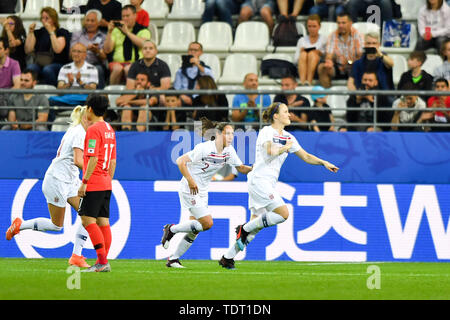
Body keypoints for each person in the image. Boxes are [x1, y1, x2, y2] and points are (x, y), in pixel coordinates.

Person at [219, 102, 339, 269]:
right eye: (286, 112)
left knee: (255, 228)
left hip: (267, 182)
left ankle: (227, 257)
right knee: (283, 213)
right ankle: (243, 228)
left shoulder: (289, 137)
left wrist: (323, 162)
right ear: (276, 116)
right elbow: (270, 151)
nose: (289, 115)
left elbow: (306, 156)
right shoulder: (267, 132)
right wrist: (286, 147)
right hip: (259, 179)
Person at [5, 105, 92, 268]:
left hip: (70, 180)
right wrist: (94, 174)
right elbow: (78, 160)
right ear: (87, 118)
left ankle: (76, 256)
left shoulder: (79, 131)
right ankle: (20, 225)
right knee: (56, 225)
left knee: (88, 213)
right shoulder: (79, 132)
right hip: (57, 180)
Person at [161, 117, 253, 268]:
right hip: (189, 188)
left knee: (195, 228)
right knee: (207, 223)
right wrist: (190, 180)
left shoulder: (229, 151)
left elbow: (241, 167)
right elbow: (180, 161)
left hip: (203, 190)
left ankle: (173, 259)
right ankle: (171, 229)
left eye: (232, 134)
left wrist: (253, 168)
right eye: (228, 133)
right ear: (218, 134)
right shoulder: (204, 148)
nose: (231, 137)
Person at [78, 94, 117, 272]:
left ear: (90, 109)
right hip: (106, 181)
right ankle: (103, 261)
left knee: (87, 220)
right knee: (103, 222)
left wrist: (85, 182)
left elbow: (93, 158)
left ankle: (102, 262)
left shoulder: (93, 130)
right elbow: (113, 161)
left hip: (94, 181)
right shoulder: (109, 129)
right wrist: (108, 179)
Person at [103, 4, 151, 85]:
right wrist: (109, 32)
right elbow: (107, 50)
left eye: (127, 16)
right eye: (123, 16)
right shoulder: (116, 30)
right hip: (117, 63)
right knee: (118, 68)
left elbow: (144, 44)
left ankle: (130, 94)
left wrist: (127, 32)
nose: (125, 19)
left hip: (136, 62)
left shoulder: (143, 30)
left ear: (135, 16)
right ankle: (112, 95)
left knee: (129, 69)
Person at [126, 40, 171, 124]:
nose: (147, 50)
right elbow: (129, 87)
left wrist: (150, 90)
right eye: (145, 48)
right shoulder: (135, 65)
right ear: (141, 51)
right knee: (126, 107)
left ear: (156, 51)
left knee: (145, 106)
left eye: (151, 48)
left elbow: (166, 87)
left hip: (154, 96)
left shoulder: (163, 65)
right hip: (137, 95)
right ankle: (125, 131)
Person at [49, 43, 99, 118]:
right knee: (51, 101)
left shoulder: (92, 69)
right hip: (66, 98)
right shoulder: (65, 68)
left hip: (83, 99)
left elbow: (92, 90)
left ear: (85, 55)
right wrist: (69, 84)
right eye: (74, 51)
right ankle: (50, 128)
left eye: (79, 52)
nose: (76, 54)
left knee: (94, 101)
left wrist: (81, 82)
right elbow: (59, 91)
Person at [24, 7, 71, 86]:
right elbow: (28, 50)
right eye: (42, 18)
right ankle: (31, 93)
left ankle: (53, 91)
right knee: (30, 68)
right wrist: (30, 32)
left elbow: (57, 49)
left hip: (57, 63)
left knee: (47, 70)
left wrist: (51, 32)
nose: (44, 20)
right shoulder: (39, 32)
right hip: (40, 62)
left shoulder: (61, 32)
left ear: (53, 19)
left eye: (47, 18)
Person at [317, 12, 363, 88]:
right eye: (338, 23)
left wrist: (349, 62)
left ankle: (357, 97)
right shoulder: (332, 35)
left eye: (343, 23)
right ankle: (327, 96)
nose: (340, 25)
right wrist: (329, 62)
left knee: (360, 67)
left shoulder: (358, 35)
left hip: (353, 67)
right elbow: (329, 54)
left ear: (350, 23)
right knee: (323, 67)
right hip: (338, 67)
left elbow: (360, 56)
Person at [70, 9, 108, 89]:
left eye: (92, 21)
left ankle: (101, 96)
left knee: (98, 69)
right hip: (78, 63)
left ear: (99, 23)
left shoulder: (103, 36)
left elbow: (104, 57)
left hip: (95, 64)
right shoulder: (77, 34)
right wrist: (82, 50)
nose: (89, 23)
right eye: (87, 20)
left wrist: (97, 51)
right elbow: (70, 53)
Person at [173, 41, 214, 107]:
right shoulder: (181, 70)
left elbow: (210, 81)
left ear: (201, 52)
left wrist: (198, 64)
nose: (193, 52)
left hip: (200, 98)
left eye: (196, 50)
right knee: (174, 102)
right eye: (190, 50)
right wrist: (181, 96)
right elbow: (176, 88)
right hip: (184, 98)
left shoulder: (206, 69)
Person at [294, 14, 326, 86]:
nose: (311, 29)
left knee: (312, 54)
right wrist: (302, 53)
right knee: (303, 54)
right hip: (302, 65)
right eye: (309, 26)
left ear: (319, 27)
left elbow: (326, 57)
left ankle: (309, 81)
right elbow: (295, 60)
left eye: (314, 26)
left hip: (317, 68)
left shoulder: (324, 39)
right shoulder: (301, 40)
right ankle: (303, 82)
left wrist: (319, 53)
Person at [0, 37, 20, 125]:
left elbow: (17, 85)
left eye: (0, 48)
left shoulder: (14, 64)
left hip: (7, 95)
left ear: (6, 50)